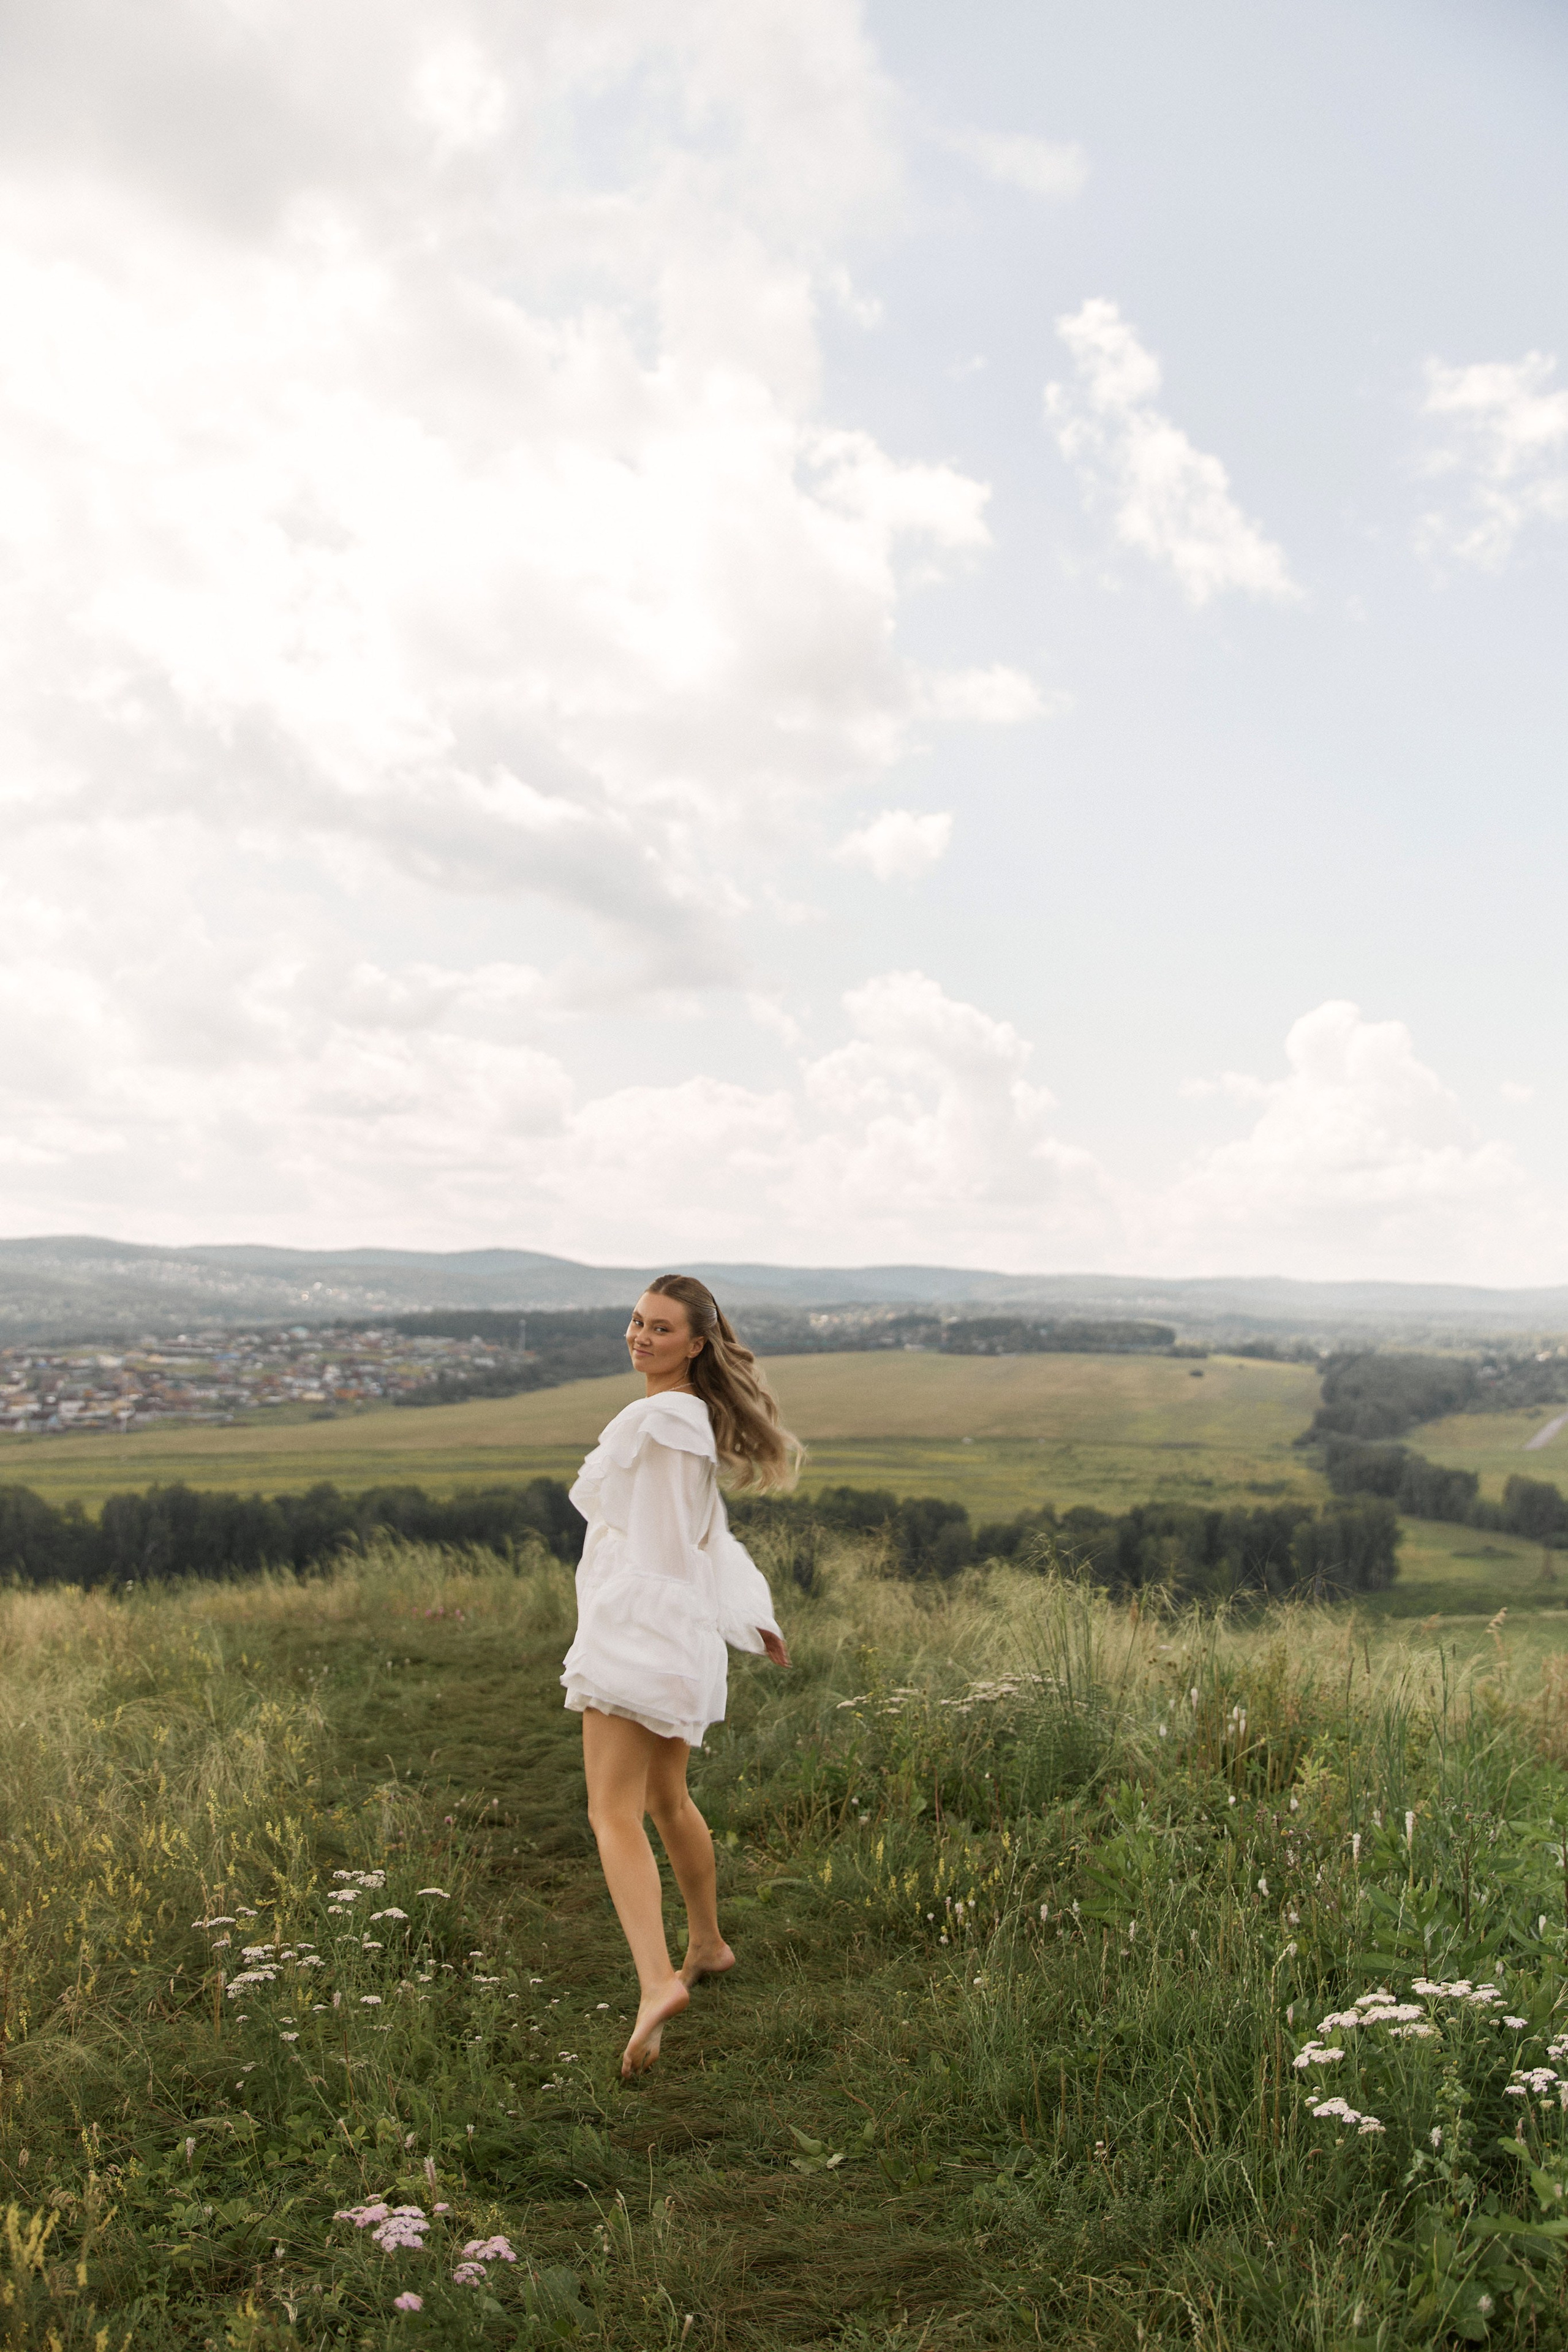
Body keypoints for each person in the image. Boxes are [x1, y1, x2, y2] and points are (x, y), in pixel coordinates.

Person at [560, 1273, 797, 2078]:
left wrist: (617, 1630)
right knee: (667, 1799)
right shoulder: (688, 1418)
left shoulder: (658, 1420)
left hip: (641, 1634)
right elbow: (710, 1540)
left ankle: (657, 1983)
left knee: (611, 1814)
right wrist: (754, 1619)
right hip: (678, 1636)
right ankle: (709, 1942)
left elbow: (662, 1551)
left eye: (660, 1329)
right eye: (636, 1321)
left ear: (696, 1344)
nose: (640, 1337)